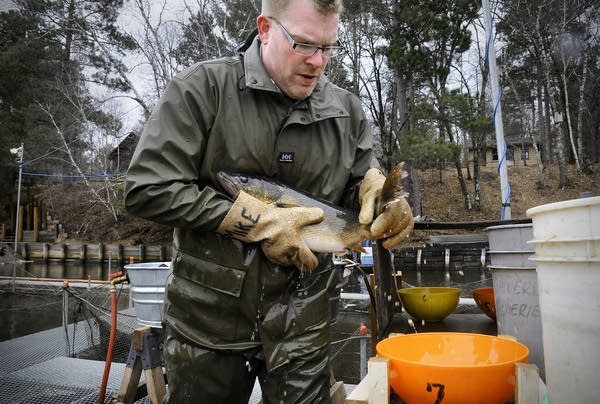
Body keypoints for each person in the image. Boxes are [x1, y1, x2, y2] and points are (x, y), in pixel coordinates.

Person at [124, 0, 413, 402]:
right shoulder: (202, 89)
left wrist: (382, 200)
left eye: (329, 48)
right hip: (208, 326)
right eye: (304, 44)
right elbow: (146, 188)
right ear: (264, 28)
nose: (318, 62)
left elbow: (360, 185)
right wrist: (250, 220)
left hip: (305, 323)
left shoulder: (346, 109)